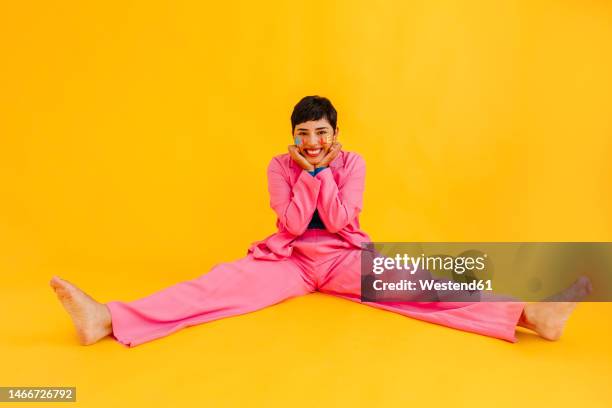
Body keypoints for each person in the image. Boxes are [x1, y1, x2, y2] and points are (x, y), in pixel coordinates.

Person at [49, 95, 591, 347]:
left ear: (336, 134)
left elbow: (340, 217)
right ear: (293, 135)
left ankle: (534, 314)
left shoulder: (353, 163)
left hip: (342, 256)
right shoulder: (276, 165)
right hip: (285, 260)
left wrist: (321, 174)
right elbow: (288, 221)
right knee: (212, 286)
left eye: (321, 132)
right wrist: (307, 175)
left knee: (427, 280)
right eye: (303, 133)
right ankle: (107, 320)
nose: (312, 141)